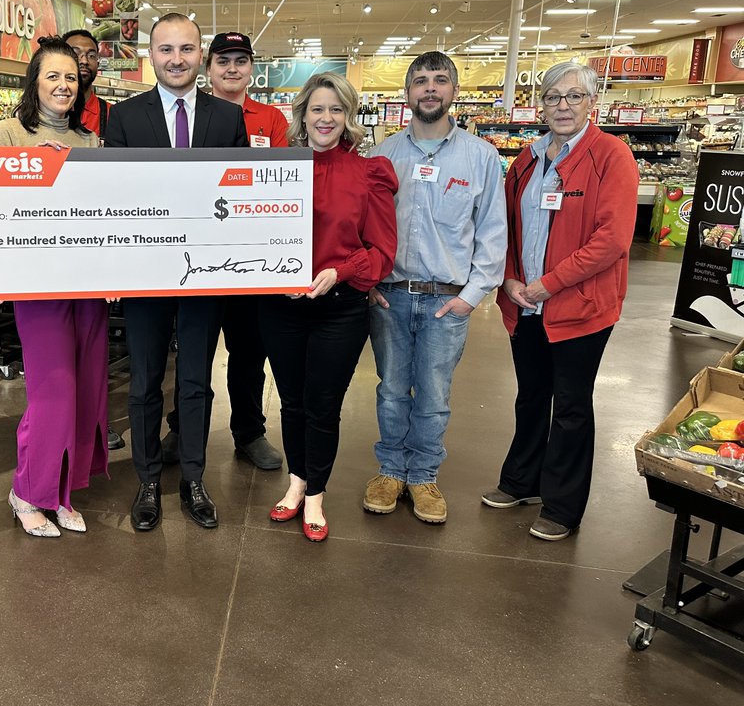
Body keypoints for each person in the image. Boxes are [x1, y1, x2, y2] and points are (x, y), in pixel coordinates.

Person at [103, 13, 247, 532]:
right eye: (166, 50)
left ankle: (192, 477)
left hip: (206, 273)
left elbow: (239, 192)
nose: (176, 59)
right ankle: (145, 479)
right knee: (143, 382)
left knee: (195, 382)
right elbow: (115, 196)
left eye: (187, 49)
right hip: (145, 273)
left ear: (199, 53)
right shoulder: (123, 117)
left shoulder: (226, 118)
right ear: (151, 55)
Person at [483, 61, 638, 541]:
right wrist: (509, 279)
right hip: (525, 302)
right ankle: (522, 481)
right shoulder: (526, 160)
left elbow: (611, 239)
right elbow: (502, 226)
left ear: (592, 102)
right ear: (541, 105)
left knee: (571, 404)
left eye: (574, 96)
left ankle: (562, 506)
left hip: (580, 306)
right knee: (531, 395)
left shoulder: (611, 156)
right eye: (553, 97)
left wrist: (550, 283)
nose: (563, 105)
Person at [365, 51, 507, 525]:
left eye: (439, 80)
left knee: (433, 394)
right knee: (389, 390)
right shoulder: (383, 155)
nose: (430, 88)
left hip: (447, 299)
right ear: (406, 94)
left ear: (454, 91)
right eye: (420, 81)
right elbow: (363, 226)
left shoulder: (481, 156)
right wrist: (367, 281)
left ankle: (423, 475)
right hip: (390, 294)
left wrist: (471, 297)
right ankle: (389, 470)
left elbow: (492, 232)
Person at [262, 72, 397, 542]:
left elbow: (382, 250)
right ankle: (296, 482)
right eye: (318, 108)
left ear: (348, 116)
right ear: (302, 113)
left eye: (336, 109)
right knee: (293, 401)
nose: (326, 118)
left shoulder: (368, 173)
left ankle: (315, 493)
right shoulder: (276, 166)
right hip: (281, 306)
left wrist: (340, 272)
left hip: (339, 307)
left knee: (323, 404)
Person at [0, 38, 108, 537]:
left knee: (87, 389)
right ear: (34, 82)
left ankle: (60, 493)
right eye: (52, 76)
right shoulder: (9, 133)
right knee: (53, 390)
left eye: (71, 78)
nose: (63, 85)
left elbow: (106, 215)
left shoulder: (93, 142)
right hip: (38, 287)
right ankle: (27, 491)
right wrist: (35, 165)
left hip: (87, 287)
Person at [159, 31, 286, 471]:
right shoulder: (186, 115)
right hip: (198, 256)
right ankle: (182, 427)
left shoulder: (271, 120)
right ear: (207, 67)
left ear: (252, 68)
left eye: (241, 61)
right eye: (223, 60)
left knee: (249, 353)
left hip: (250, 260)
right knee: (193, 352)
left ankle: (249, 431)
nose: (232, 68)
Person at [63, 28, 125, 451]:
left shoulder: (108, 116)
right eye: (73, 54)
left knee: (93, 355)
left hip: (93, 249)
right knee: (56, 364)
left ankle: (95, 427)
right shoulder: (24, 121)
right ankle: (62, 430)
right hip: (51, 250)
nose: (82, 62)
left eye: (89, 54)